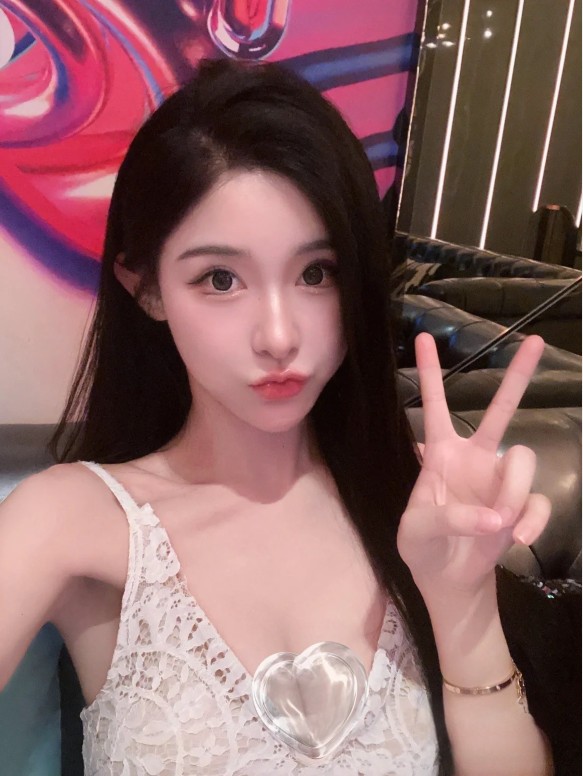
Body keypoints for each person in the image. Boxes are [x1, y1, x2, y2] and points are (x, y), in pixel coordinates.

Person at [0, 58, 578, 776]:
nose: (278, 335)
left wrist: (465, 606)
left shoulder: (414, 509)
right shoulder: (70, 519)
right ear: (145, 288)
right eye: (220, 279)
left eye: (315, 273)